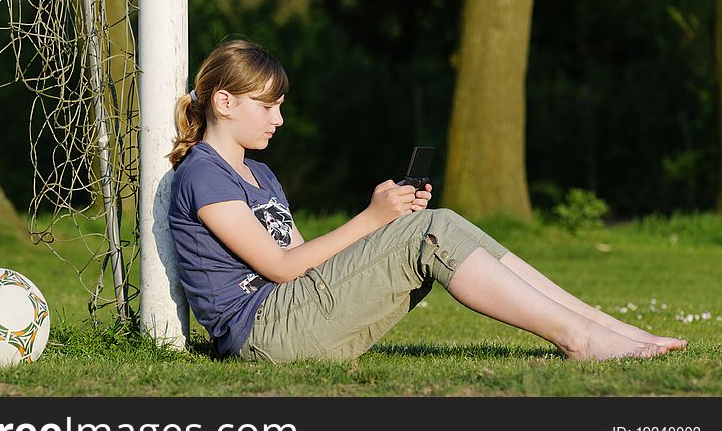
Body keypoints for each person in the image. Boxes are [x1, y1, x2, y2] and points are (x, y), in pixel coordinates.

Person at [167, 39, 687, 364]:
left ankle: (601, 327)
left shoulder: (258, 174)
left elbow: (307, 265)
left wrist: (385, 224)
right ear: (225, 101)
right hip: (265, 333)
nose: (278, 120)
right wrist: (372, 219)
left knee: (440, 223)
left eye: (281, 107)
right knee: (429, 230)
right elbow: (279, 267)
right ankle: (580, 338)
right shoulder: (203, 175)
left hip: (294, 313)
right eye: (269, 107)